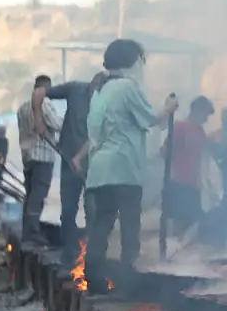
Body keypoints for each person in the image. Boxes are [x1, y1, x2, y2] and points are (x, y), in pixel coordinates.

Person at [83, 39, 179, 295]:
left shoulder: (100, 91)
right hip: (123, 167)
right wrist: (168, 109)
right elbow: (151, 119)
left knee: (101, 225)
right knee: (129, 226)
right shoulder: (127, 87)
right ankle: (128, 282)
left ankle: (94, 279)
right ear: (133, 61)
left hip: (100, 170)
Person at [39, 72, 108, 268]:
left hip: (92, 163)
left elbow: (96, 135)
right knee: (68, 210)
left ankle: (92, 257)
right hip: (68, 158)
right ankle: (70, 254)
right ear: (92, 83)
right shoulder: (74, 89)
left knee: (92, 210)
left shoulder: (106, 104)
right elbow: (39, 93)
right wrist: (39, 122)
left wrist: (79, 158)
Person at [16, 75, 63, 247]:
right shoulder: (45, 104)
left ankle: (27, 231)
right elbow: (57, 125)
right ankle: (33, 232)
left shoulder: (22, 108)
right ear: (46, 88)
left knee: (29, 194)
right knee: (38, 195)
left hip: (28, 156)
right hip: (43, 156)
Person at [163, 95, 215, 237]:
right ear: (197, 111)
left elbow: (204, 158)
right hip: (178, 184)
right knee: (179, 225)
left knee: (192, 226)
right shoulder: (179, 127)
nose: (206, 119)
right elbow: (164, 151)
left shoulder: (200, 132)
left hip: (193, 186)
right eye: (205, 114)